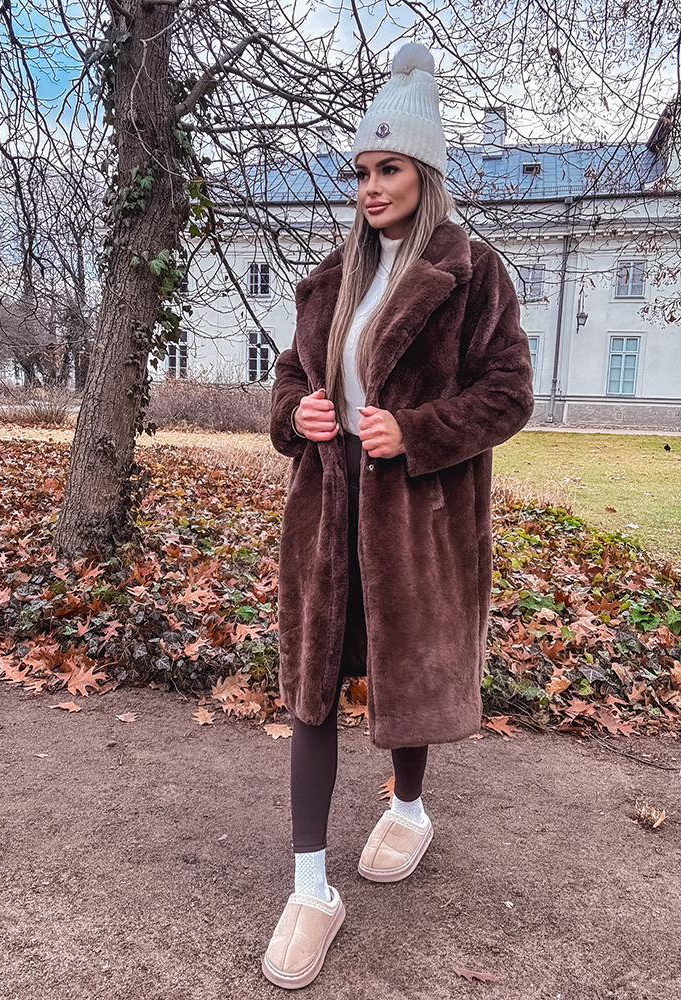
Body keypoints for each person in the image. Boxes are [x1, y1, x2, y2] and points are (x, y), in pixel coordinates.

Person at [262, 41, 535, 989]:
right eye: (362, 171)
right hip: (325, 513)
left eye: (389, 168)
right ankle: (310, 890)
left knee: (402, 670)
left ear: (425, 172)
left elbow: (509, 393)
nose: (371, 187)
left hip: (417, 521)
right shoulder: (333, 276)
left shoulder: (475, 273)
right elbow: (293, 374)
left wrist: (414, 432)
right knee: (312, 690)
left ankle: (409, 809)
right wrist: (295, 414)